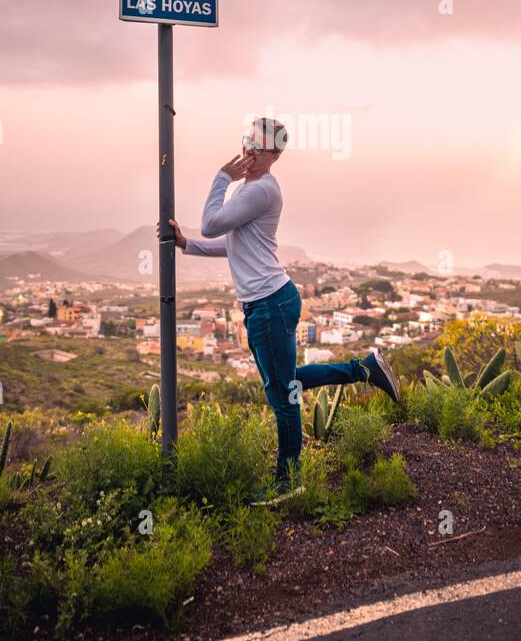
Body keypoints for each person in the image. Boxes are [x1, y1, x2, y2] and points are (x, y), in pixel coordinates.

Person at [160, 115, 399, 502]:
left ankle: (289, 483)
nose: (250, 151)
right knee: (286, 385)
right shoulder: (251, 192)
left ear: (274, 155)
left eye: (259, 147)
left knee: (283, 396)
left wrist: (221, 177)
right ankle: (364, 369)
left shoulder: (260, 191)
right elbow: (231, 244)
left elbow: (211, 224)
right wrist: (187, 245)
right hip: (272, 301)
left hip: (270, 304)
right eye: (247, 142)